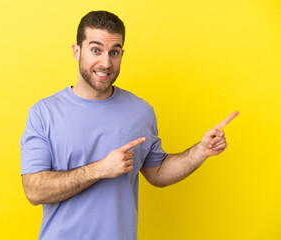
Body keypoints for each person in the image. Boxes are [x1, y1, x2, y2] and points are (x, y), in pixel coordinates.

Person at [20, 10, 238, 240]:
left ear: (122, 54)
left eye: (114, 52)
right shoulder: (43, 113)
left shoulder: (140, 112)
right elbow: (34, 190)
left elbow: (158, 173)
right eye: (96, 50)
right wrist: (101, 169)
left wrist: (200, 151)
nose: (105, 63)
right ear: (77, 51)